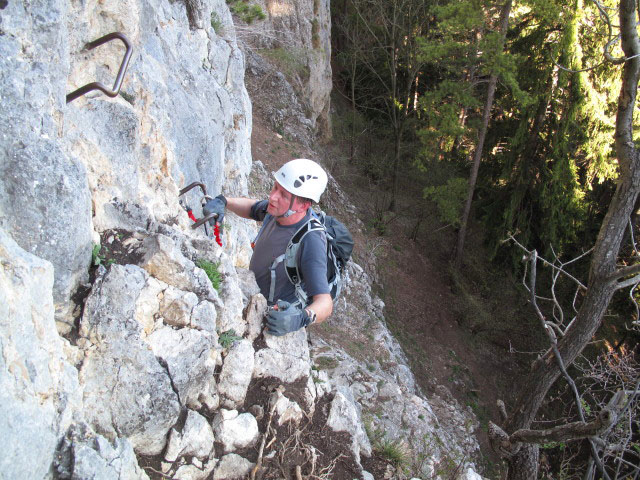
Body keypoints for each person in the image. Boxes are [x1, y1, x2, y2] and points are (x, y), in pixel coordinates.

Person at [203, 158, 333, 336]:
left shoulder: (311, 240)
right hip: (250, 297)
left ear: (304, 205)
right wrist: (224, 201)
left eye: (284, 195)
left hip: (273, 319)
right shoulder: (277, 210)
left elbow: (325, 302)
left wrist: (301, 318)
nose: (273, 197)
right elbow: (252, 208)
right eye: (275, 187)